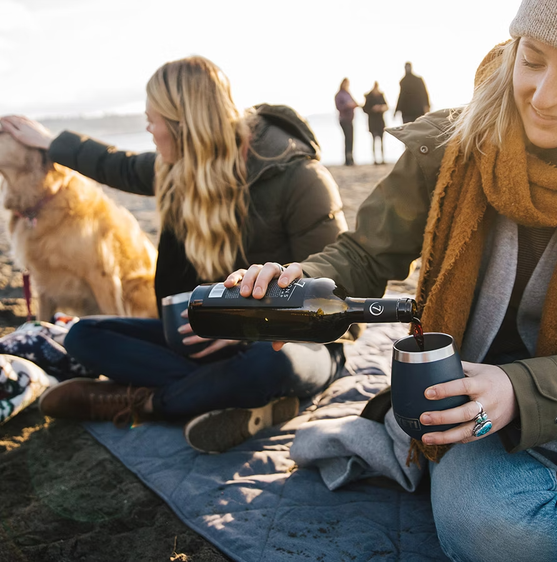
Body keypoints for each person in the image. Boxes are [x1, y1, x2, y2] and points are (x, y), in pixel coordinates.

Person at [219, 0, 557, 559]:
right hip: (466, 407)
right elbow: (364, 253)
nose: (542, 95)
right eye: (532, 61)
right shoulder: (450, 147)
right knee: (492, 529)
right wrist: (301, 279)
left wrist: (524, 389)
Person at [0, 55, 349, 453]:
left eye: (154, 119)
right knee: (84, 335)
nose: (147, 129)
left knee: (269, 365)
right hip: (204, 339)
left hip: (289, 345)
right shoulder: (177, 170)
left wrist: (256, 324)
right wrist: (50, 143)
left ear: (184, 125)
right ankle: (233, 396)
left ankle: (148, 402)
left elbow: (336, 292)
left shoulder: (300, 178)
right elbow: (117, 164)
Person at [362, 82, 388, 165]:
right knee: (374, 140)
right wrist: (373, 109)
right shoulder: (369, 97)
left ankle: (383, 158)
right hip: (373, 121)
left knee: (381, 140)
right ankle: (375, 159)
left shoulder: (381, 95)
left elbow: (386, 106)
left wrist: (381, 108)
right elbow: (365, 109)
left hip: (380, 121)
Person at [334, 78, 358, 166]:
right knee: (347, 138)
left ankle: (350, 157)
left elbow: (355, 102)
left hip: (350, 118)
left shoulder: (348, 94)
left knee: (351, 139)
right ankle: (347, 159)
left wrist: (354, 105)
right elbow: (339, 107)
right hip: (344, 119)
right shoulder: (339, 95)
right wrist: (347, 106)